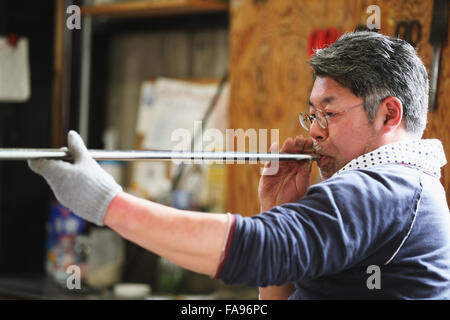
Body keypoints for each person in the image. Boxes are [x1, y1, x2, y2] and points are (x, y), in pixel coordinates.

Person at [29, 31, 450, 299]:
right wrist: (278, 211)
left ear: (389, 115)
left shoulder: (386, 187)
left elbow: (259, 248)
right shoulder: (406, 185)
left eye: (331, 113)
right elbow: (275, 283)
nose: (316, 132)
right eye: (312, 115)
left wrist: (108, 203)